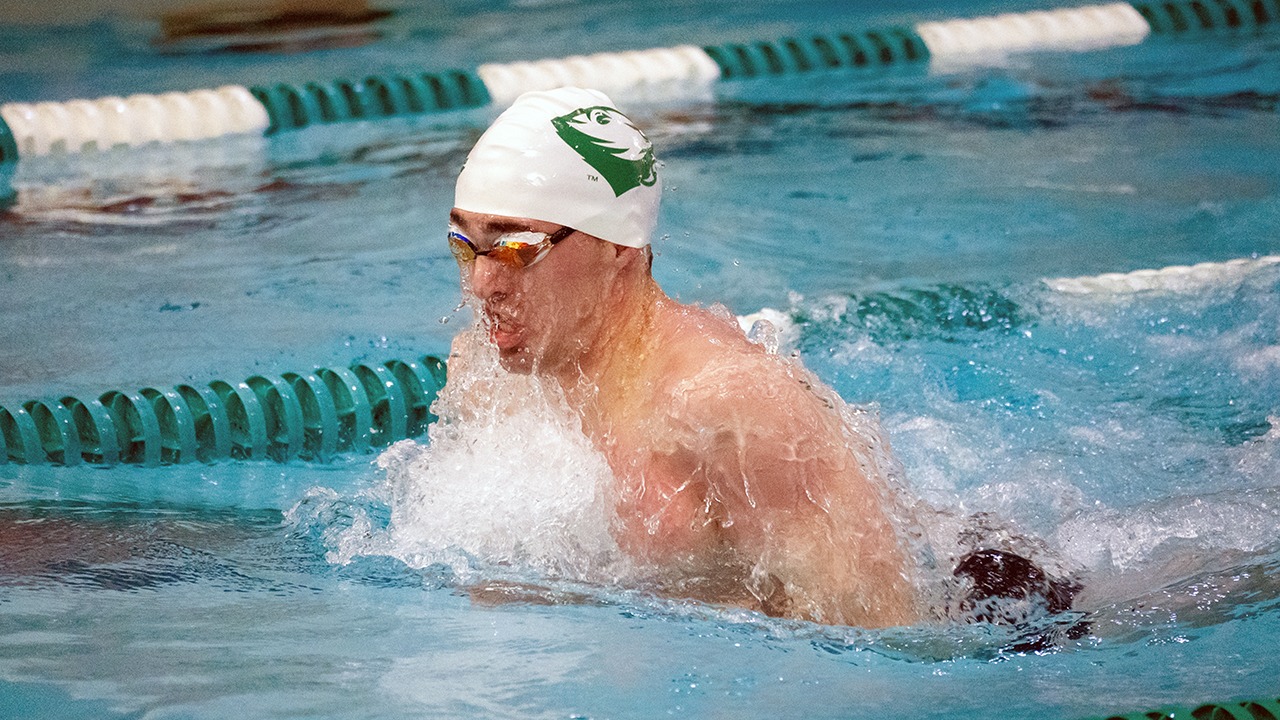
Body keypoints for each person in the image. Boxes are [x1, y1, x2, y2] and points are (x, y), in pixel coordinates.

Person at [443, 87, 917, 628]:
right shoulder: (483, 373)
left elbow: (881, 629)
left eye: (515, 248)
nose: (481, 283)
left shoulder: (729, 408)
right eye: (464, 243)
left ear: (618, 246)